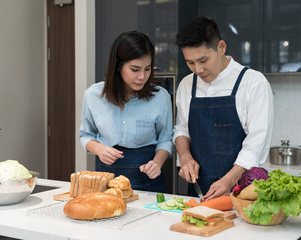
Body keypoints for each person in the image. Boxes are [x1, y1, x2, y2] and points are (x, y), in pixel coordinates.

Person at [173, 17, 274, 200]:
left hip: (243, 192)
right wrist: (185, 157)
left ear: (221, 47)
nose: (198, 69)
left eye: (203, 60)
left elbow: (256, 144)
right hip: (199, 192)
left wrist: (228, 181)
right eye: (190, 62)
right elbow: (182, 129)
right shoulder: (187, 85)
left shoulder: (253, 83)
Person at [79, 31, 173, 192]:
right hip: (105, 181)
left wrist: (157, 163)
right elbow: (86, 136)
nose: (142, 77)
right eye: (135, 69)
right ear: (117, 66)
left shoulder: (161, 97)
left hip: (148, 182)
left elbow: (166, 139)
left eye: (147, 69)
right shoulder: (92, 95)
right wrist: (99, 149)